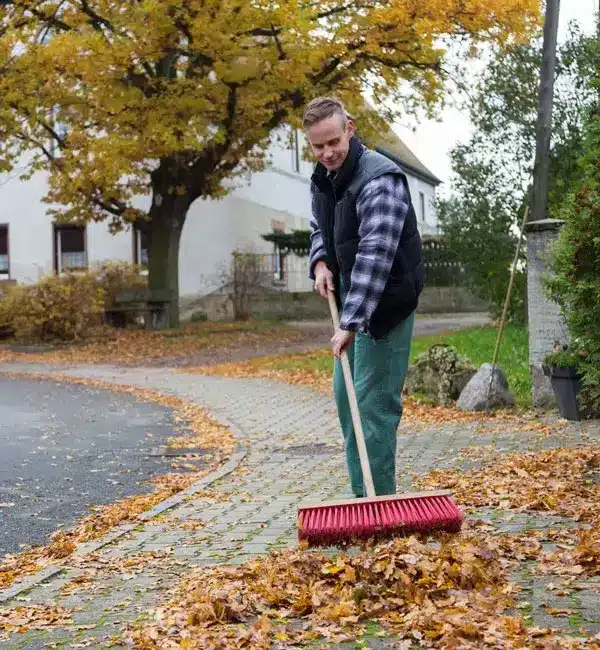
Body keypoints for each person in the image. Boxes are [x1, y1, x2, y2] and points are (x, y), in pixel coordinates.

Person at [304, 96, 424, 498]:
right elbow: (319, 226)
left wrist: (350, 323)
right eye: (317, 146)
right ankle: (363, 500)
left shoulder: (379, 180)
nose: (327, 153)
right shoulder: (323, 176)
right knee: (347, 399)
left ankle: (380, 504)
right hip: (354, 306)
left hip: (385, 308)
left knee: (372, 408)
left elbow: (375, 256)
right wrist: (320, 261)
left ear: (350, 129)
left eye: (333, 142)